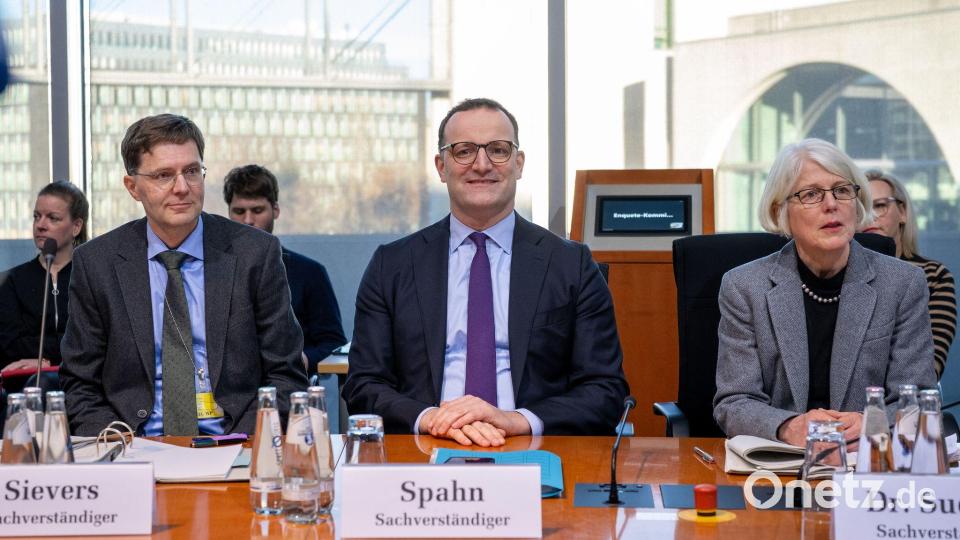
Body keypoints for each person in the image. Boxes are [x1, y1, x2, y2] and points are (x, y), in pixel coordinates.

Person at [343, 98, 629, 446]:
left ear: (518, 164)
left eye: (498, 150)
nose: (481, 165)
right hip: (427, 446)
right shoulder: (392, 265)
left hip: (534, 447)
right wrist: (430, 418)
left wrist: (516, 420)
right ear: (441, 167)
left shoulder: (572, 265)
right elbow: (363, 384)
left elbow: (605, 389)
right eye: (463, 151)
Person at [59, 113, 307, 437]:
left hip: (235, 441)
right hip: (134, 445)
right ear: (133, 187)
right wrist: (123, 446)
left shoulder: (255, 253)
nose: (182, 188)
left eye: (191, 171)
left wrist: (244, 443)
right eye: (164, 175)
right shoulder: (98, 263)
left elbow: (286, 375)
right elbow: (79, 385)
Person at [713, 138, 935, 446]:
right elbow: (734, 403)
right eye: (811, 194)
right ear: (780, 211)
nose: (831, 204)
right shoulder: (745, 287)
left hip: (866, 459)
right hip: (781, 462)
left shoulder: (902, 283)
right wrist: (789, 426)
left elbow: (918, 400)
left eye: (842, 190)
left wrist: (871, 422)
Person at [222, 164, 347, 375]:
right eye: (239, 211)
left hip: (290, 385)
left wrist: (303, 360)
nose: (248, 220)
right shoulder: (213, 269)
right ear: (228, 212)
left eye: (257, 210)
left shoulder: (309, 273)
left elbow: (333, 343)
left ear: (276, 210)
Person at [860, 169, 956, 379]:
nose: (871, 217)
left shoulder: (934, 275)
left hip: (906, 393)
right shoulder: (840, 277)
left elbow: (929, 366)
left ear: (902, 212)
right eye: (862, 209)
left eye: (880, 205)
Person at [0, 181, 88, 377]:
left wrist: (47, 360)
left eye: (52, 218)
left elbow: (94, 340)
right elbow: (9, 344)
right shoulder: (11, 281)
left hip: (83, 381)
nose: (40, 225)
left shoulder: (91, 278)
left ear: (76, 226)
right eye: (36, 216)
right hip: (25, 382)